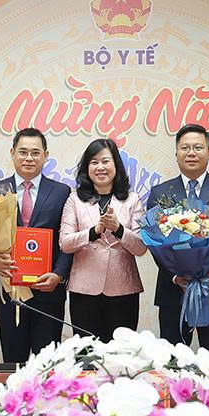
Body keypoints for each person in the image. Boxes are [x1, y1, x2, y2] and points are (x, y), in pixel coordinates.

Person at [145, 124, 209, 361]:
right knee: (172, 362)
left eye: (198, 147)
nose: (191, 153)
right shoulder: (160, 192)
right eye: (185, 148)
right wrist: (175, 276)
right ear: (176, 153)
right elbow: (154, 238)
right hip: (174, 291)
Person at [0, 129, 75, 363]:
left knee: (48, 365)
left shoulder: (61, 192)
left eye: (35, 153)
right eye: (23, 152)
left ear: (45, 155)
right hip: (9, 291)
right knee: (13, 362)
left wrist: (59, 275)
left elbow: (67, 240)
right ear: (12, 153)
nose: (29, 158)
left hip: (48, 292)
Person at [61, 139, 149, 342]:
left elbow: (141, 247)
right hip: (84, 290)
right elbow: (65, 243)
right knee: (87, 353)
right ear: (86, 168)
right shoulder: (75, 199)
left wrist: (118, 229)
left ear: (116, 165)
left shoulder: (132, 200)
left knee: (122, 352)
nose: (100, 167)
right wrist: (94, 231)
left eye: (105, 161)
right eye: (94, 162)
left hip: (123, 289)